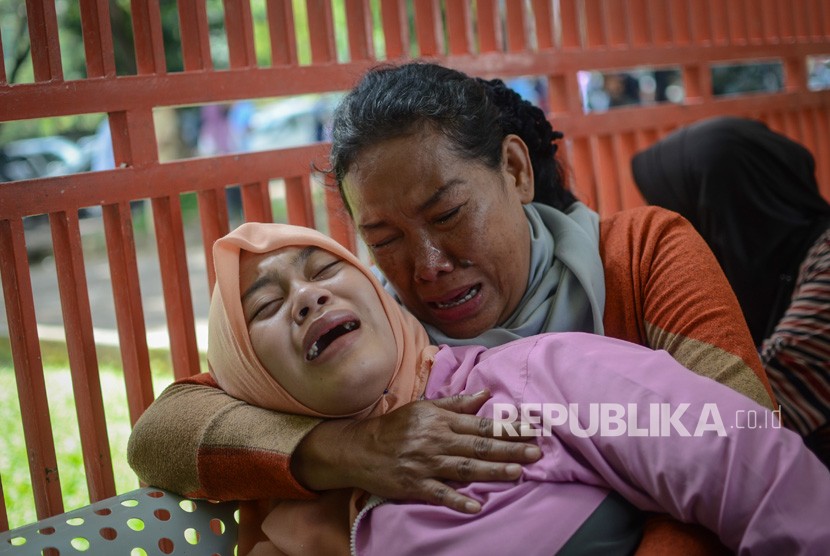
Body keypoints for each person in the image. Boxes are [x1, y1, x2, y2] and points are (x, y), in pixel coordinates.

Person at [128, 63, 775, 554]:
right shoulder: (376, 342)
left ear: (516, 171)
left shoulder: (639, 257)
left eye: (449, 214)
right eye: (384, 240)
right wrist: (351, 449)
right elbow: (164, 433)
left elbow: (744, 443)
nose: (429, 265)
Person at [209, 221, 830, 556]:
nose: (307, 297)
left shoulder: (527, 382)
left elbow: (743, 461)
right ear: (247, 375)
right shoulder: (279, 527)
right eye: (264, 306)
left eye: (324, 270)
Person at [631, 116, 830, 468]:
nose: (678, 247)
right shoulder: (777, 268)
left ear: (730, 205)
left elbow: (748, 412)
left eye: (685, 220)